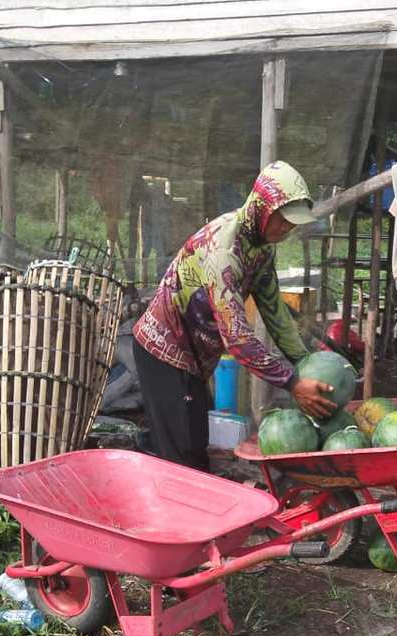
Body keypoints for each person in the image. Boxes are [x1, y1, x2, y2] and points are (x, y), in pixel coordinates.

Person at [132, 161, 337, 469]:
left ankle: (154, 475)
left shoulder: (263, 248)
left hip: (192, 359)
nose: (287, 229)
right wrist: (293, 383)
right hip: (163, 351)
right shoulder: (224, 251)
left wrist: (303, 363)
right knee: (185, 455)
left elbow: (275, 313)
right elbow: (238, 339)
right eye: (282, 220)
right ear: (261, 207)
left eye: (293, 223)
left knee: (190, 442)